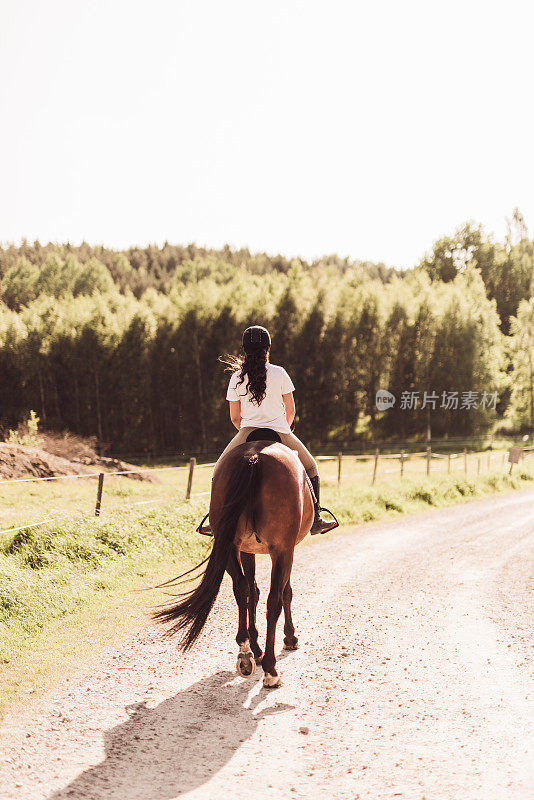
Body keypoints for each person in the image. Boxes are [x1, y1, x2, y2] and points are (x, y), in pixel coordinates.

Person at [199, 324, 337, 535]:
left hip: (247, 432)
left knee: (219, 469)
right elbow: (290, 410)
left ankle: (214, 520)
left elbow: (235, 417)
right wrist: (285, 429)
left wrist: (245, 431)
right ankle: (316, 518)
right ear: (268, 348)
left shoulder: (236, 378)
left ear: (244, 350)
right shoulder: (279, 373)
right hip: (280, 431)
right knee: (311, 467)